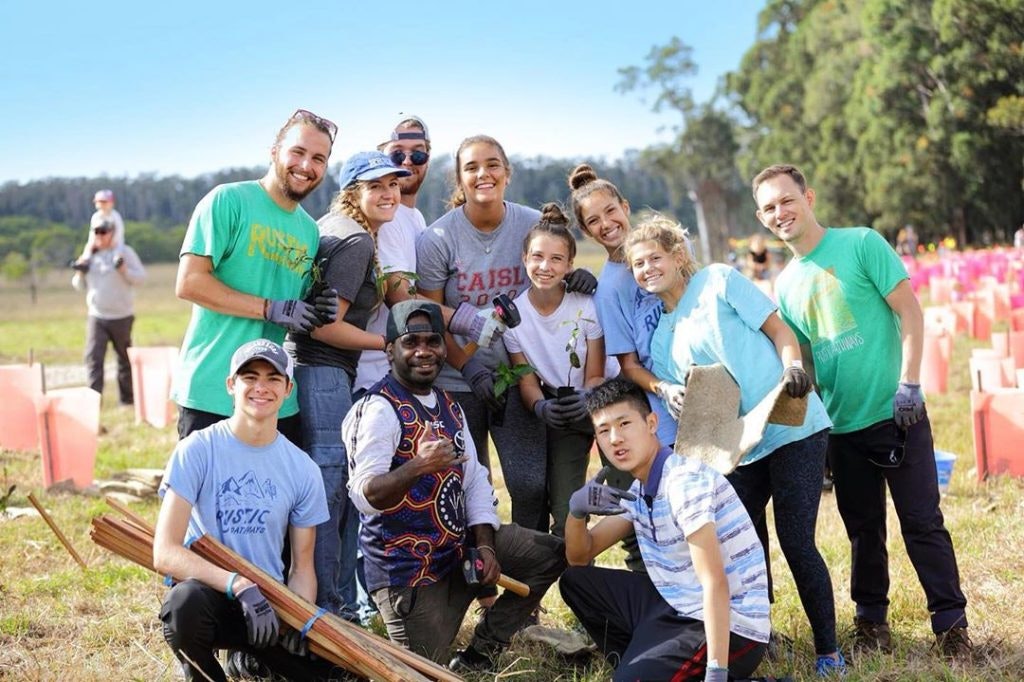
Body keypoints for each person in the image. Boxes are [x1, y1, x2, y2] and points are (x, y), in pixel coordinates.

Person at [752, 163, 971, 659]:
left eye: (787, 200)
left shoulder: (862, 243)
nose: (780, 212)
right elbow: (803, 363)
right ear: (761, 218)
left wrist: (910, 384)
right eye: (769, 207)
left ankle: (952, 627)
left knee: (922, 522)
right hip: (841, 428)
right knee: (862, 531)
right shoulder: (785, 285)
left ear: (808, 196)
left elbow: (909, 311)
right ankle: (872, 623)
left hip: (898, 414)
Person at [623, 215, 845, 676]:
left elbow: (779, 330)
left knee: (796, 540)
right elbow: (699, 397)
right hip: (737, 449)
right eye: (638, 265)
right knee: (743, 543)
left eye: (654, 258)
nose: (646, 269)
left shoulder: (718, 281)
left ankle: (829, 651)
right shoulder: (662, 338)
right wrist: (675, 394)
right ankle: (761, 637)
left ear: (678, 255)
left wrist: (792, 367)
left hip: (791, 426)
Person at [342, 300, 566, 670]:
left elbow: (475, 481)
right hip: (409, 572)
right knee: (423, 671)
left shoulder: (449, 404)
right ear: (389, 350)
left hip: (458, 552)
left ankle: (482, 654)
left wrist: (485, 546)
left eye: (433, 342)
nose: (424, 352)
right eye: (411, 342)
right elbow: (364, 496)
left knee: (550, 554)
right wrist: (418, 466)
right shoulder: (378, 409)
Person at [416, 135, 597, 532]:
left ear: (507, 172)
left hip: (518, 375)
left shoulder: (531, 224)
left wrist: (579, 279)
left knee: (529, 485)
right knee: (464, 485)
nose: (484, 173)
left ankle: (527, 582)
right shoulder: (438, 239)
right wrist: (468, 369)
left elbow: (553, 275)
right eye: (472, 167)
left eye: (493, 164)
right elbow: (430, 315)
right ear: (459, 180)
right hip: (457, 381)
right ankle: (479, 583)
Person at [153, 339, 344, 682]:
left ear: (288, 389)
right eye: (249, 376)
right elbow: (165, 552)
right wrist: (239, 584)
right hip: (212, 594)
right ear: (231, 385)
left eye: (273, 378)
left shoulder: (301, 468)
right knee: (183, 608)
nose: (261, 387)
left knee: (333, 673)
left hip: (270, 606)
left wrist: (296, 622)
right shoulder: (197, 450)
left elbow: (302, 568)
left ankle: (259, 663)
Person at [560, 377, 769, 682]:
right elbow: (580, 557)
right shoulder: (641, 489)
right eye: (604, 431)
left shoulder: (682, 484)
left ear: (652, 423)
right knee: (576, 581)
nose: (615, 438)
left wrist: (716, 672)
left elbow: (715, 583)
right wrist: (576, 512)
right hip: (676, 604)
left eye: (625, 424)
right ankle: (639, 664)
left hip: (733, 626)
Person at [284, 150, 412, 621]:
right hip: (322, 369)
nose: (389, 194)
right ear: (353, 191)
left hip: (315, 371)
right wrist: (389, 341)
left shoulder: (334, 226)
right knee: (332, 489)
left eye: (394, 185)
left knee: (332, 489)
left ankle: (333, 602)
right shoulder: (355, 240)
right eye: (376, 185)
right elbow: (324, 326)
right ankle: (330, 608)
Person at [172, 109, 340, 441]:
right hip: (215, 389)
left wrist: (314, 306)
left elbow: (290, 307)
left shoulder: (308, 230)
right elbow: (190, 282)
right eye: (298, 152)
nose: (307, 166)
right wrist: (268, 307)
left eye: (319, 158)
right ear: (275, 151)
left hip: (275, 398)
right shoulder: (228, 201)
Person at [503, 203, 606, 537]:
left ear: (570, 265)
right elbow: (526, 379)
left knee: (568, 513)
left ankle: (581, 578)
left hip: (591, 403)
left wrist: (588, 395)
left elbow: (595, 372)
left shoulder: (586, 306)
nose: (545, 267)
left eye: (556, 259)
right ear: (524, 258)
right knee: (545, 504)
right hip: (550, 410)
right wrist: (539, 406)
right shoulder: (514, 317)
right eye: (537, 257)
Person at [354, 114, 434, 394]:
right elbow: (399, 296)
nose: (408, 161)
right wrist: (465, 320)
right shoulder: (387, 216)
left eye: (418, 154)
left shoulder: (416, 217)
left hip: (396, 370)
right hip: (372, 375)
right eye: (397, 154)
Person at [71, 217, 146, 405]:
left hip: (122, 315)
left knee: (124, 359)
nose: (100, 236)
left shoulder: (125, 252)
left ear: (113, 232)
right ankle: (93, 403)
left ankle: (127, 401)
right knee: (93, 358)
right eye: (96, 232)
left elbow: (141, 277)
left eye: (104, 231)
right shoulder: (89, 255)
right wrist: (80, 271)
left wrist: (124, 271)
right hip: (97, 315)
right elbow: (78, 285)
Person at [81, 189, 125, 256]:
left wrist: (114, 241)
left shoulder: (115, 215)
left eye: (104, 202)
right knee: (88, 247)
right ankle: (84, 260)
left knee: (118, 250)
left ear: (111, 203)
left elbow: (119, 230)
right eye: (100, 202)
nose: (102, 204)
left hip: (115, 242)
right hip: (98, 243)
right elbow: (92, 232)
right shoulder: (95, 216)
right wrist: (93, 242)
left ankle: (117, 259)